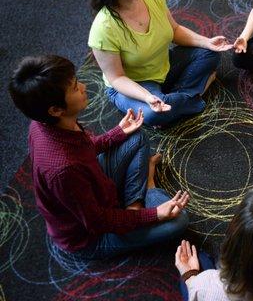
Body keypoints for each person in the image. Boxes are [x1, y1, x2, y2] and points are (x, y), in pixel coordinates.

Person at [8, 55, 190, 259]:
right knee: (179, 220)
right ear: (56, 110)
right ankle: (148, 187)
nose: (84, 86)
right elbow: (98, 222)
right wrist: (154, 214)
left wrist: (118, 132)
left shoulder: (42, 123)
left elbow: (83, 149)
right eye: (76, 87)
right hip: (91, 237)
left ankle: (133, 207)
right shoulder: (64, 171)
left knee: (135, 136)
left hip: (95, 187)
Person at [88, 0, 233, 127]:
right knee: (152, 115)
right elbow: (117, 78)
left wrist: (207, 42)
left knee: (210, 53)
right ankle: (195, 93)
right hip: (134, 85)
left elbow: (175, 30)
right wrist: (147, 97)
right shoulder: (103, 28)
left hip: (163, 64)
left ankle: (173, 99)